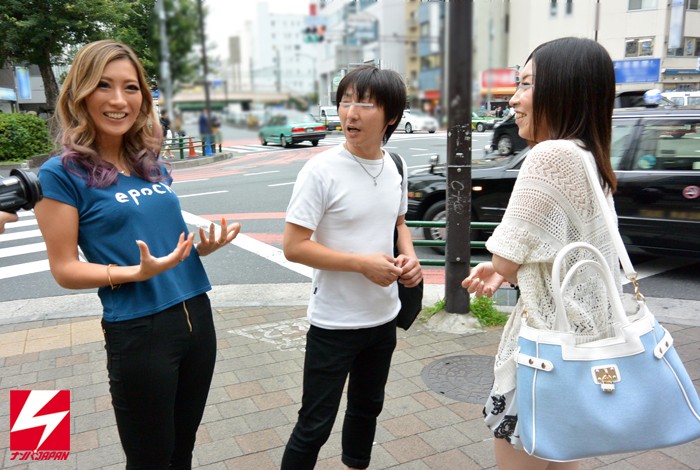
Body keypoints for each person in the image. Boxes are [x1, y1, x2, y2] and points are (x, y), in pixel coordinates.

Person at [34, 40, 241, 470]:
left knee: (182, 449)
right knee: (150, 459)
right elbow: (65, 269)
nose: (118, 100)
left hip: (197, 316)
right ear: (80, 94)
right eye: (103, 85)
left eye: (130, 88)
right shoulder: (60, 174)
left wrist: (198, 247)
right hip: (140, 329)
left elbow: (161, 241)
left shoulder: (148, 163)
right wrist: (133, 272)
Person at [462, 37, 619, 470]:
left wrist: (501, 267)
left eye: (527, 84)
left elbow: (505, 257)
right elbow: (564, 261)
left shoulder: (549, 156)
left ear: (563, 90)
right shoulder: (590, 157)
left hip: (546, 356)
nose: (514, 98)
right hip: (587, 350)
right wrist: (508, 271)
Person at [281, 64, 422, 470]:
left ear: (391, 116)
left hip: (383, 318)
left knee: (367, 409)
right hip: (334, 323)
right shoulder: (320, 170)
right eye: (345, 101)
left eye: (365, 104)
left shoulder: (395, 165)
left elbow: (399, 223)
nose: (350, 113)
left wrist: (409, 257)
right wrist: (361, 264)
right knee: (314, 424)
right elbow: (293, 247)